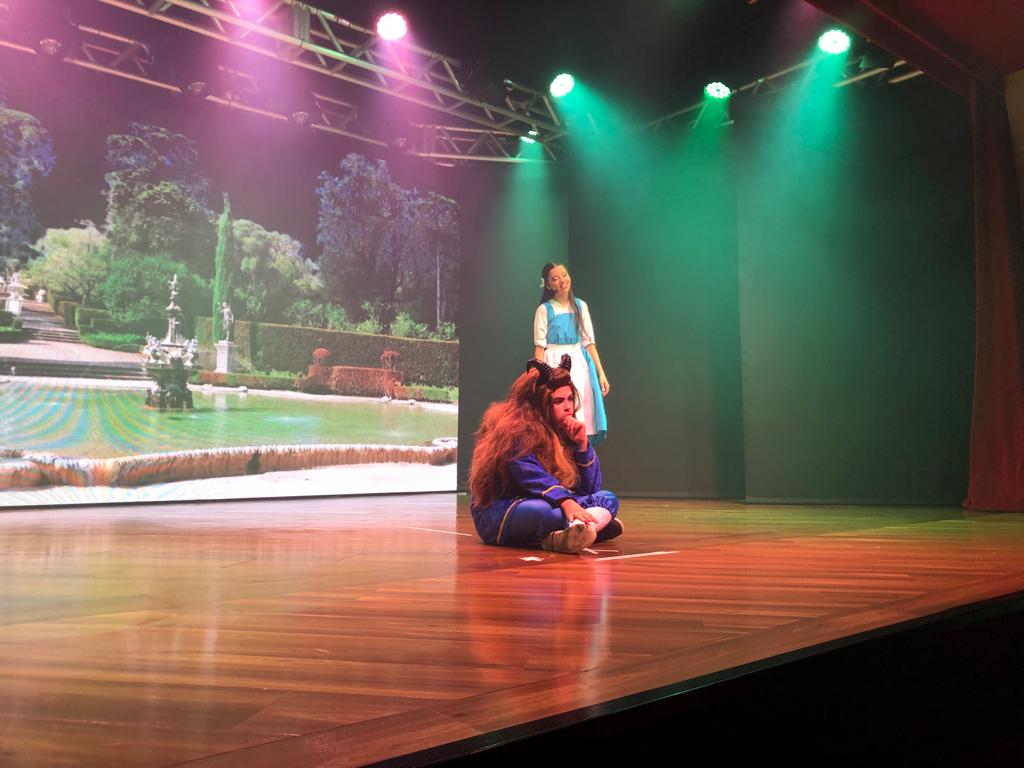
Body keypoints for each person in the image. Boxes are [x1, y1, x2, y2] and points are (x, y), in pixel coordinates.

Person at [469, 355, 622, 554]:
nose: (568, 407)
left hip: (554, 502)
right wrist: (566, 502)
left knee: (607, 499)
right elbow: (531, 477)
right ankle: (591, 525)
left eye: (570, 399)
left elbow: (589, 489)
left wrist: (583, 446)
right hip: (504, 510)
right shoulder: (514, 429)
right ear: (538, 403)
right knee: (541, 512)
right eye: (558, 401)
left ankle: (568, 533)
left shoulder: (563, 429)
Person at [534, 262, 608, 445]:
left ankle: (579, 449)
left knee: (579, 407)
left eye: (564, 275)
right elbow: (540, 347)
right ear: (548, 284)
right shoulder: (544, 310)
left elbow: (589, 342)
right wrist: (537, 377)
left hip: (578, 364)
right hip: (553, 363)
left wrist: (601, 373)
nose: (562, 280)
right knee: (556, 411)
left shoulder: (580, 306)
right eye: (555, 278)